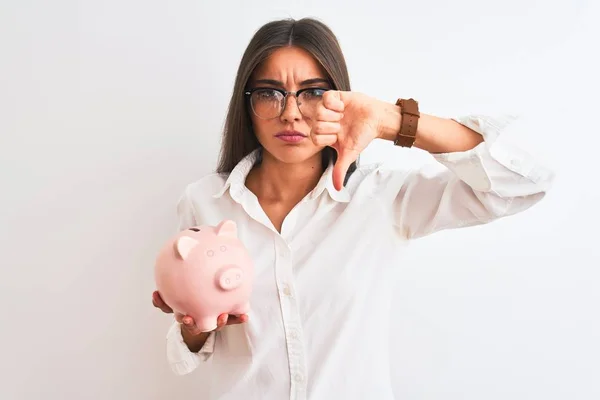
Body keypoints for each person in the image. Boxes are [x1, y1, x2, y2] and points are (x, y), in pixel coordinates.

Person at [151, 17, 554, 400]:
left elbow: (522, 185)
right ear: (247, 105)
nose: (291, 112)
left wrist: (393, 121)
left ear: (340, 100)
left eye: (312, 93)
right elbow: (184, 359)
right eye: (269, 93)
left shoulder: (381, 196)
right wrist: (194, 329)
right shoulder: (204, 202)